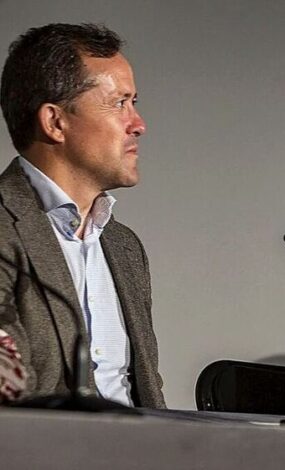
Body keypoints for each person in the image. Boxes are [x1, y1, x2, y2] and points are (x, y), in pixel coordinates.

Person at [0, 23, 165, 407]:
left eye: (134, 103)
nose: (138, 125)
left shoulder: (124, 247)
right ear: (55, 122)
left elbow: (145, 391)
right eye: (119, 103)